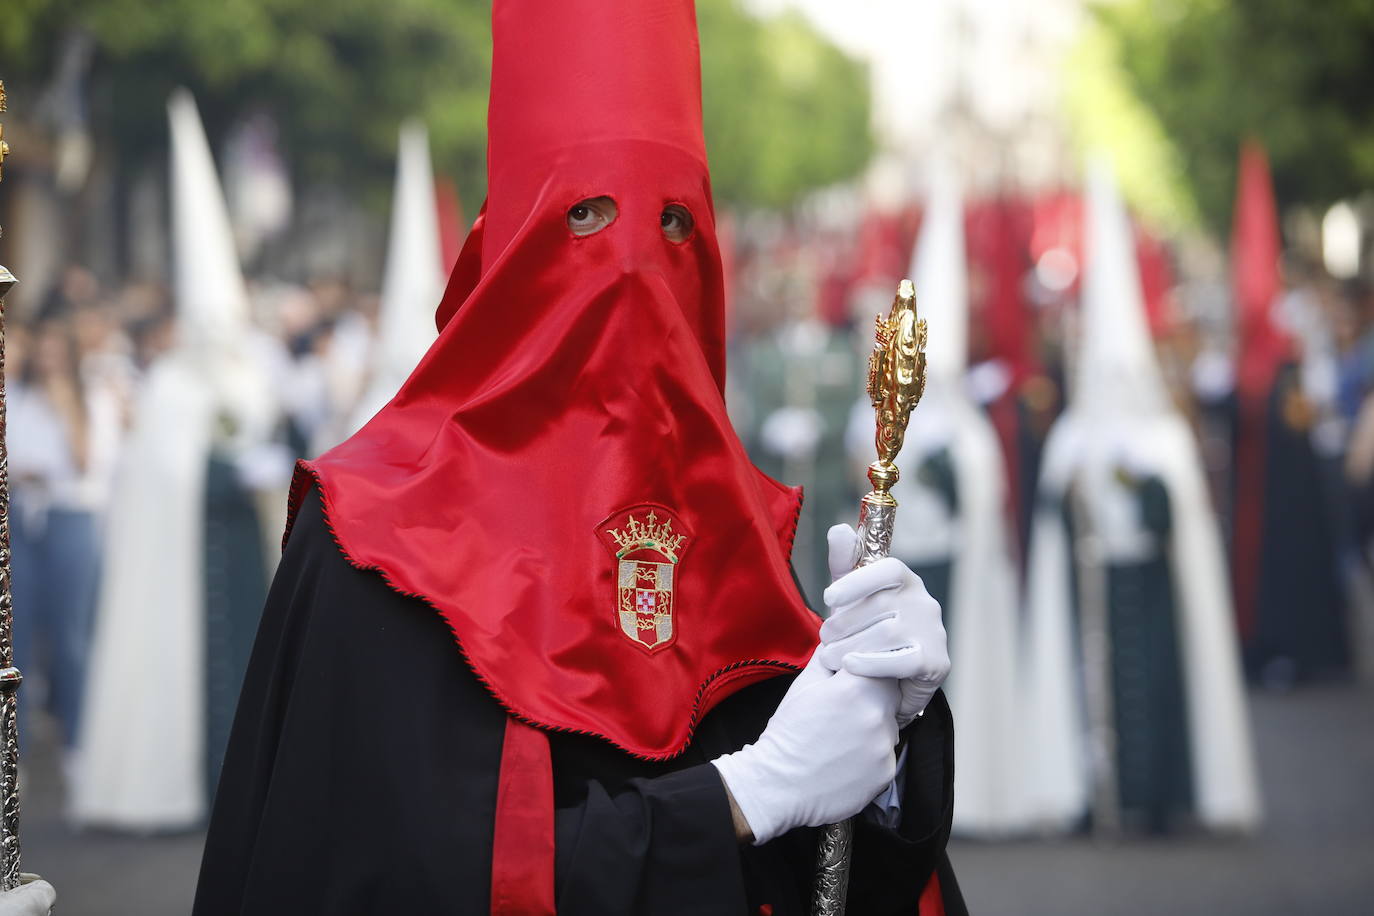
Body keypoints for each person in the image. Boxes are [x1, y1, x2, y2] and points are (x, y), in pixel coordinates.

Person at [193, 2, 964, 913]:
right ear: (507, 246)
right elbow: (403, 877)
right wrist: (741, 797)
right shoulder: (377, 537)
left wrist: (885, 736)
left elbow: (820, 880)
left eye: (675, 224)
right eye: (587, 216)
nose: (635, 267)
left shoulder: (735, 539)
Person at [1021, 161, 1260, 835]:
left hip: (1151, 589)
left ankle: (1159, 794)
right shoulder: (1073, 438)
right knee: (1090, 691)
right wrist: (1073, 496)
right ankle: (1093, 793)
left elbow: (1178, 520)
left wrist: (1141, 487)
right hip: (1091, 588)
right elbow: (1050, 521)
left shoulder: (1163, 441)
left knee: (1153, 691)